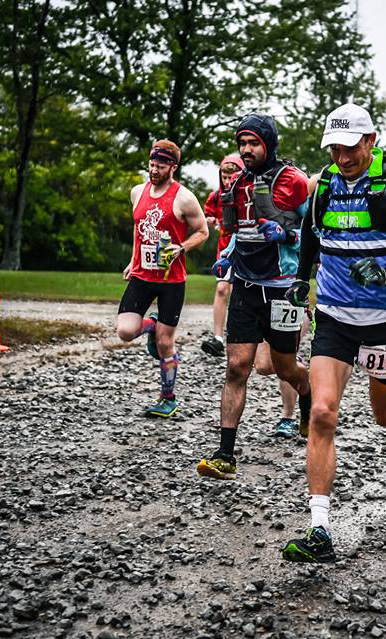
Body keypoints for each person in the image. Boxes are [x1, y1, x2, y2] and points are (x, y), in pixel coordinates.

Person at [280, 103, 386, 562]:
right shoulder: (324, 183)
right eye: (334, 146)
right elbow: (312, 233)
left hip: (385, 322)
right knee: (323, 414)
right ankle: (319, 530)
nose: (342, 155)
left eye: (350, 147)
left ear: (370, 140)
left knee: (383, 413)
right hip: (333, 318)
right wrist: (302, 277)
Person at [195, 113, 313, 479]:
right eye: (241, 143)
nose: (246, 150)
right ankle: (224, 455)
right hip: (245, 286)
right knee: (236, 367)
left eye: (253, 144)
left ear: (268, 144)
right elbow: (239, 231)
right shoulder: (238, 185)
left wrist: (287, 236)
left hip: (282, 289)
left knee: (281, 367)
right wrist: (226, 259)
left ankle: (306, 391)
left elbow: (315, 232)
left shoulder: (293, 182)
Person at [116, 139, 209, 417]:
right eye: (152, 164)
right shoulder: (137, 192)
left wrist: (182, 247)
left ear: (173, 167)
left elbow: (202, 232)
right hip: (143, 275)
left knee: (165, 343)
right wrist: (132, 261)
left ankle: (167, 399)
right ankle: (152, 325)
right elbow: (138, 231)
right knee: (125, 331)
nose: (154, 170)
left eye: (160, 166)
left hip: (172, 279)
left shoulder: (184, 198)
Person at [200, 153, 243, 357]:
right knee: (221, 289)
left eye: (231, 177)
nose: (228, 182)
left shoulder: (247, 195)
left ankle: (239, 337)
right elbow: (207, 215)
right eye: (224, 177)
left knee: (239, 293)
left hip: (246, 249)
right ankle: (217, 337)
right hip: (226, 250)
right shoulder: (215, 197)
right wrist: (210, 221)